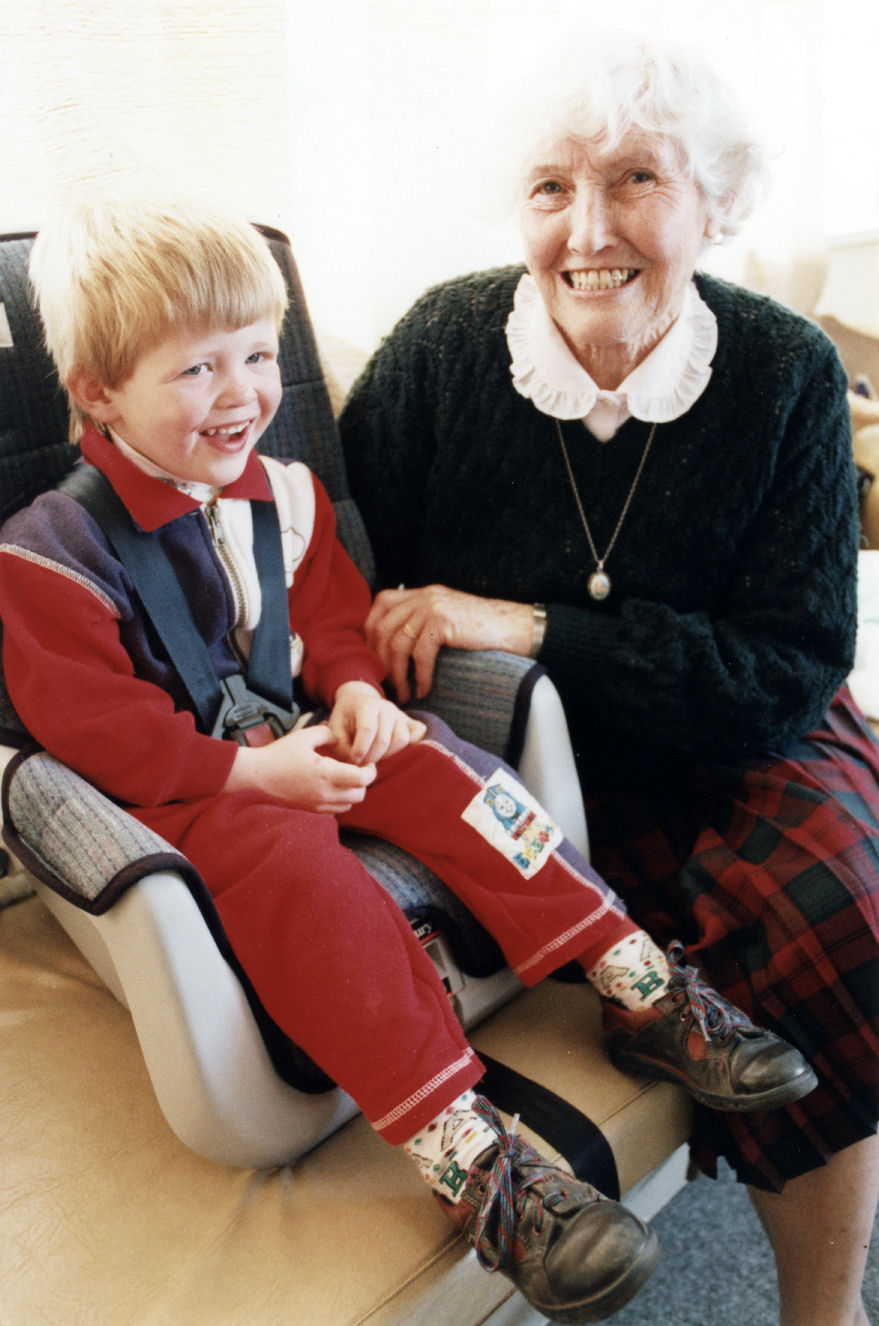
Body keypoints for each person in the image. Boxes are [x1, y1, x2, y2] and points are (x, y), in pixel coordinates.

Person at [0, 195, 817, 1325]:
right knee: (298, 873)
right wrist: (251, 778)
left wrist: (353, 694)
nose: (241, 396)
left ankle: (636, 980)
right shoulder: (49, 556)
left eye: (256, 356)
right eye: (196, 372)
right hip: (193, 793)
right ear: (96, 392)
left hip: (302, 735)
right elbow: (94, 733)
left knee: (449, 768)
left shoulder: (282, 495)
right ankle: (469, 1157)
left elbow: (332, 620)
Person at [338, 32, 879, 1326]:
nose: (588, 228)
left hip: (744, 731)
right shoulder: (443, 348)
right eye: (549, 188)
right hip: (514, 749)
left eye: (634, 178)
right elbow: (343, 581)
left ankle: (821, 1307)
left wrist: (527, 624)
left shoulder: (785, 373)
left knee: (836, 911)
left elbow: (789, 666)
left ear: (711, 200)